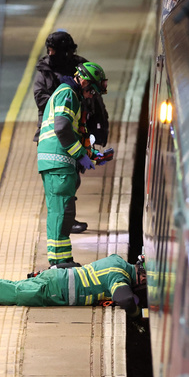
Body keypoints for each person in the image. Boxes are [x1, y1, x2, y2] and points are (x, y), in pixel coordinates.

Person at [32, 30, 111, 234]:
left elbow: (94, 107)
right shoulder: (65, 91)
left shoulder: (81, 72)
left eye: (54, 50)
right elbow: (60, 125)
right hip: (58, 143)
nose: (50, 54)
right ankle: (66, 226)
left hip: (72, 135)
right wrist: (63, 103)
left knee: (71, 182)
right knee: (64, 188)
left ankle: (65, 231)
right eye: (49, 50)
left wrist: (94, 150)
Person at [37, 61, 112, 268]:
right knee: (61, 212)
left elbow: (74, 132)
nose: (92, 96)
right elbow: (61, 128)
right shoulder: (68, 94)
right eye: (92, 92)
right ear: (85, 82)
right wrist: (80, 155)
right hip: (57, 161)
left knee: (64, 212)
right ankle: (58, 262)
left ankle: (62, 259)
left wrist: (94, 155)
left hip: (59, 161)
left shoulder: (73, 96)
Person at [0, 254, 146, 319]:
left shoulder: (117, 261)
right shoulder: (119, 275)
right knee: (10, 293)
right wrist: (136, 311)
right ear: (142, 275)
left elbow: (78, 265)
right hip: (55, 289)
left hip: (56, 277)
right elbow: (124, 299)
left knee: (8, 286)